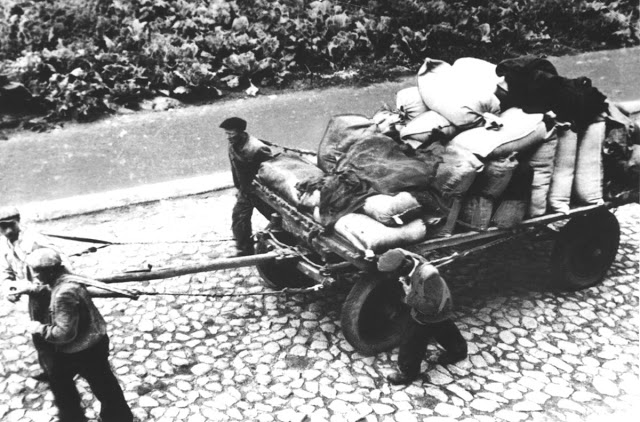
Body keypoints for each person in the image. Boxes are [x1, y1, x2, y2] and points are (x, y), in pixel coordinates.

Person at [23, 248, 133, 422]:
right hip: (94, 340)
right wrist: (30, 289)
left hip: (84, 349)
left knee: (98, 385)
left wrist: (39, 328)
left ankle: (116, 418)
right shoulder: (68, 278)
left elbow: (63, 334)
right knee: (103, 384)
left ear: (51, 271)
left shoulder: (63, 294)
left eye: (38, 272)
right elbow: (48, 289)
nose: (35, 275)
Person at [377, 248, 467, 385]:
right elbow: (394, 253)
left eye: (391, 274)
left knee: (412, 339)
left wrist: (410, 296)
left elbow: (431, 307)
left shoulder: (429, 276)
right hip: (435, 306)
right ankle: (458, 351)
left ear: (402, 268)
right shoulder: (406, 259)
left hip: (433, 310)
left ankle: (407, 373)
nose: (389, 277)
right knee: (443, 327)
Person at [0, 206, 70, 382]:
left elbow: (63, 263)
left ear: (18, 221)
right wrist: (9, 288)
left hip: (52, 293)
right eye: (2, 227)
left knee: (60, 331)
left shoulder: (35, 240)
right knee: (39, 335)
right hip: (34, 297)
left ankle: (68, 369)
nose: (7, 231)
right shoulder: (4, 245)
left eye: (10, 225)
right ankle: (52, 371)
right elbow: (6, 272)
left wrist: (62, 288)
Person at [220, 117, 275, 256]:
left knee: (277, 219)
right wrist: (239, 187)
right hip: (245, 190)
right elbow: (235, 168)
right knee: (239, 218)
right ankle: (245, 250)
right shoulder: (233, 144)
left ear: (240, 132)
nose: (228, 137)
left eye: (231, 133)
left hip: (261, 193)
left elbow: (271, 172)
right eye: (227, 133)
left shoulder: (257, 148)